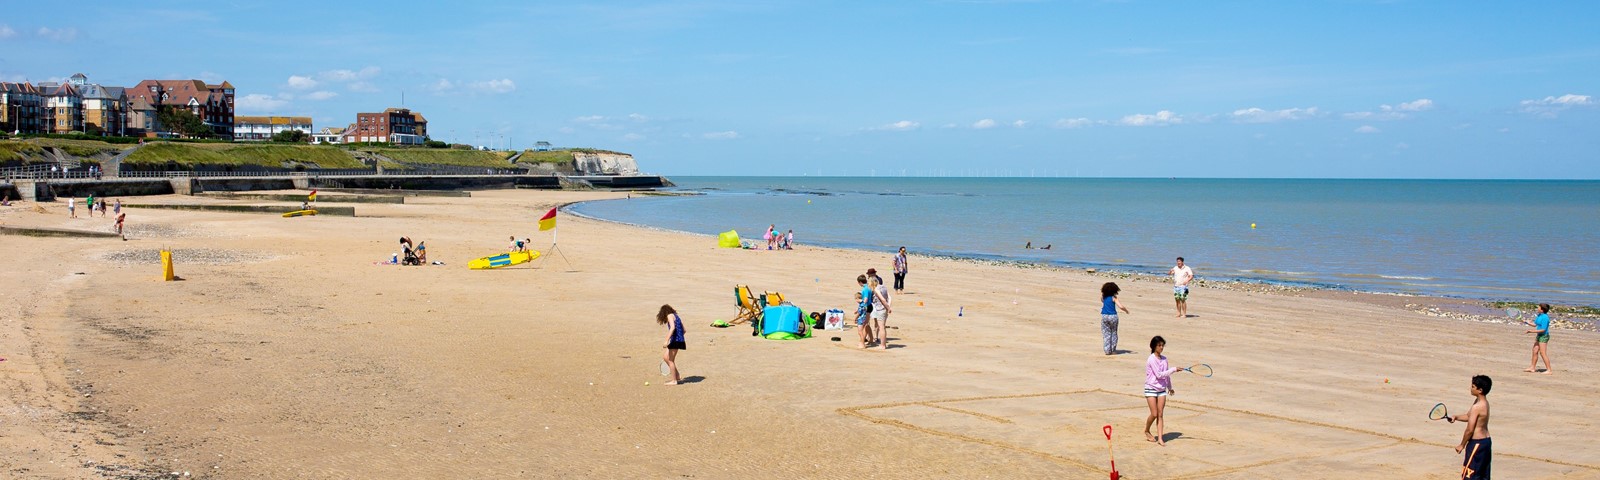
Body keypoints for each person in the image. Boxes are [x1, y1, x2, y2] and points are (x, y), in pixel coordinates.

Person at [1446, 375, 1492, 479]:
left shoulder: (1477, 407)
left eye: (1473, 386)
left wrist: (1462, 445)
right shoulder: (1483, 402)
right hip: (1486, 442)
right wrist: (1456, 417)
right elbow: (1468, 416)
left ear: (1480, 390)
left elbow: (1470, 430)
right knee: (1483, 475)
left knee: (1470, 474)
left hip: (1477, 444)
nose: (1471, 388)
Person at [1144, 336, 1177, 446]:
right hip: (1151, 388)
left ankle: (1160, 438)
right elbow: (1159, 375)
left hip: (1161, 389)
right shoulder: (1151, 359)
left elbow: (1166, 376)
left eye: (1162, 345)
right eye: (1159, 345)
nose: (1161, 347)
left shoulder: (1164, 359)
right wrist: (1174, 369)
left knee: (1160, 414)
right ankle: (1147, 430)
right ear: (1154, 346)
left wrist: (1170, 387)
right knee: (1154, 414)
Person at [657, 304, 687, 385]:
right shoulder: (676, 316)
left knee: (670, 360)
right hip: (677, 340)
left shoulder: (670, 315)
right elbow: (684, 330)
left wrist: (666, 340)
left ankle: (674, 380)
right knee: (666, 357)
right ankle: (677, 376)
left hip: (675, 341)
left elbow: (672, 328)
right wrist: (678, 337)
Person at [1101, 282, 1130, 355]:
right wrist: (1126, 310)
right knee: (1113, 333)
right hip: (1113, 316)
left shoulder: (1104, 297)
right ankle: (1113, 350)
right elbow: (1121, 306)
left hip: (1104, 316)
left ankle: (1107, 350)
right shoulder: (1114, 298)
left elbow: (1101, 299)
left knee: (1106, 333)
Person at [1524, 303, 1553, 374]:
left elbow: (1543, 329)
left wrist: (1531, 331)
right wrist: (1527, 322)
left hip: (1544, 336)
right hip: (1539, 335)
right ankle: (1532, 368)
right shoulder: (1539, 316)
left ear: (1542, 310)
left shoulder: (1545, 318)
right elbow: (1535, 324)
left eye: (1539, 307)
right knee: (1535, 351)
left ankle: (1549, 370)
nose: (1537, 308)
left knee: (1543, 353)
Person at [870, 275, 892, 350]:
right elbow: (889, 297)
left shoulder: (876, 289)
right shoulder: (884, 287)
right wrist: (888, 306)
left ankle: (883, 345)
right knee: (883, 326)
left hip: (880, 309)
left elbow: (882, 299)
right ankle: (883, 344)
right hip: (884, 309)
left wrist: (888, 307)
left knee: (881, 327)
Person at [855, 275, 875, 348]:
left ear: (860, 282)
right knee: (866, 324)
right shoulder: (869, 287)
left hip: (866, 307)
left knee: (863, 325)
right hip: (869, 306)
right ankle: (871, 339)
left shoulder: (865, 289)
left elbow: (865, 299)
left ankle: (862, 342)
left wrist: (861, 301)